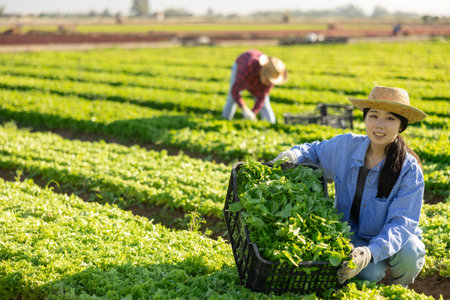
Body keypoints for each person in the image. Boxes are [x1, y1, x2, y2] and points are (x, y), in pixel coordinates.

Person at [272, 86, 427, 287]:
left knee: (410, 253)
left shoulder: (409, 169)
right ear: (365, 118)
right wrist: (294, 154)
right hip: (352, 235)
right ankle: (375, 278)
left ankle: (398, 289)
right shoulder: (346, 145)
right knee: (370, 274)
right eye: (373, 116)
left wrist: (371, 252)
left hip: (394, 238)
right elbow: (314, 151)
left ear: (401, 126)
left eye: (390, 118)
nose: (380, 125)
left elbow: (401, 223)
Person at [221, 49, 287, 124]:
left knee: (265, 103)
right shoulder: (248, 67)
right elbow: (235, 90)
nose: (269, 84)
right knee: (231, 98)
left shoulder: (271, 76)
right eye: (267, 80)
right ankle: (225, 120)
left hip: (254, 76)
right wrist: (244, 109)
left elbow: (261, 98)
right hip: (241, 65)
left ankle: (271, 124)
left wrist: (253, 113)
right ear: (263, 72)